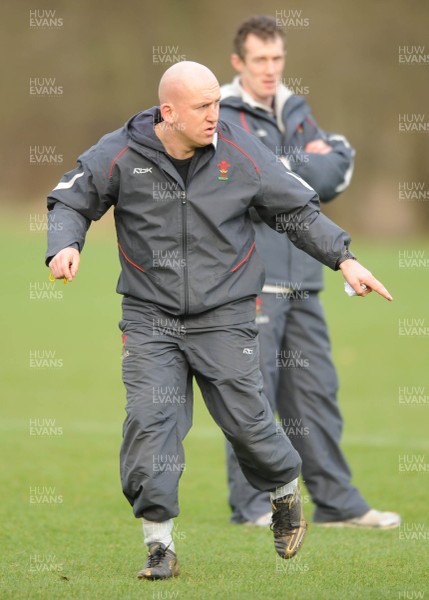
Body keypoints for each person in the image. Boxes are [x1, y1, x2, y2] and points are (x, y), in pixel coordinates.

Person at [46, 61, 393, 581]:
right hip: (149, 317)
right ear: (169, 112)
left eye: (216, 102)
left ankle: (282, 494)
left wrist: (345, 259)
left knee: (248, 425)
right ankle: (159, 545)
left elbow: (296, 210)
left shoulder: (241, 151)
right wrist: (64, 245)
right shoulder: (119, 152)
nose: (216, 114)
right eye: (203, 106)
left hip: (224, 313)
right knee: (149, 423)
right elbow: (71, 199)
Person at [220, 15, 400, 529]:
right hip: (251, 284)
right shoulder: (223, 116)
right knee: (251, 401)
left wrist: (287, 170)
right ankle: (255, 506)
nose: (271, 69)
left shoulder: (296, 108)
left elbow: (335, 170)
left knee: (317, 395)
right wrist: (295, 170)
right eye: (260, 60)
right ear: (239, 62)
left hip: (308, 279)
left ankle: (339, 504)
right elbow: (256, 184)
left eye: (278, 58)